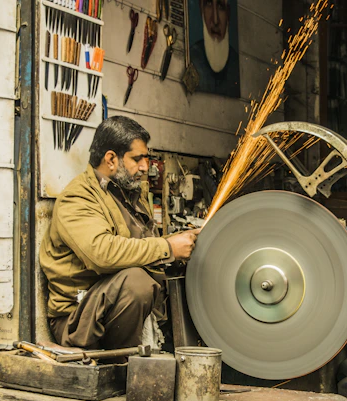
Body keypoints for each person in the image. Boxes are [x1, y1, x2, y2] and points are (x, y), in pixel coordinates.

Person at [40, 116, 200, 350]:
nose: (145, 167)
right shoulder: (77, 198)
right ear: (111, 159)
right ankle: (122, 364)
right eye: (137, 159)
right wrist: (167, 248)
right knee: (137, 282)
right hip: (79, 319)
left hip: (114, 309)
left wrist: (180, 242)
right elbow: (102, 253)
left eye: (147, 159)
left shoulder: (129, 195)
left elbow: (140, 246)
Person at [189, 0, 240, 97]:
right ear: (201, 10)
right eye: (208, 4)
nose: (215, 20)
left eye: (221, 7)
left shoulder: (235, 64)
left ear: (228, 14)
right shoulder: (192, 58)